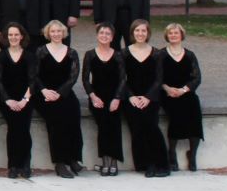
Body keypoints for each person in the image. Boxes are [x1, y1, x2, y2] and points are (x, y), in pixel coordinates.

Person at [33, 18, 83, 177]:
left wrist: (60, 93)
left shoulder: (71, 52)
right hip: (45, 94)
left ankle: (73, 158)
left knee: (73, 114)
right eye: (53, 31)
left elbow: (73, 77)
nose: (56, 34)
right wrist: (45, 91)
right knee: (56, 120)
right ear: (48, 33)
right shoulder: (41, 51)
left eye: (59, 31)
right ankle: (60, 162)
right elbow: (34, 75)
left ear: (64, 33)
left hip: (64, 92)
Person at [122, 18, 170, 177]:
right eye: (137, 30)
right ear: (132, 33)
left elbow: (159, 79)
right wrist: (131, 97)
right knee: (137, 130)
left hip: (151, 97)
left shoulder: (157, 53)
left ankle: (162, 164)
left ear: (148, 33)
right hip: (132, 97)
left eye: (143, 30)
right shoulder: (124, 53)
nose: (140, 33)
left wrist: (148, 97)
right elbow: (122, 79)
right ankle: (146, 164)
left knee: (152, 128)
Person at [82, 22, 126, 176]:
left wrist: (117, 98)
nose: (104, 36)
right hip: (98, 96)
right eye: (102, 33)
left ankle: (114, 162)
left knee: (114, 126)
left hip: (115, 97)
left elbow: (122, 79)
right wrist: (93, 96)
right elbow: (86, 79)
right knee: (103, 127)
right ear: (97, 35)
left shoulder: (118, 55)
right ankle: (105, 162)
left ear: (112, 37)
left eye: (108, 34)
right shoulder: (90, 54)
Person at [160, 22, 203, 172]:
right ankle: (171, 154)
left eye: (176, 33)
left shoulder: (190, 55)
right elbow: (156, 77)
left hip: (186, 92)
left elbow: (197, 78)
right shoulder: (161, 54)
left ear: (181, 35)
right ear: (167, 35)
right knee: (176, 111)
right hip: (167, 93)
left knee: (194, 108)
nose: (173, 35)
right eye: (170, 33)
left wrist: (184, 90)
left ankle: (192, 154)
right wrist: (167, 89)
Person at [0, 22, 34, 179]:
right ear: (6, 37)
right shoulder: (1, 56)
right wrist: (8, 100)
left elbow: (32, 81)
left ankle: (25, 163)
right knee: (14, 127)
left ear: (22, 36)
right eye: (10, 35)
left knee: (23, 127)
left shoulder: (29, 55)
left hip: (26, 97)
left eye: (16, 34)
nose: (13, 37)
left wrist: (25, 100)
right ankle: (13, 165)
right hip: (7, 98)